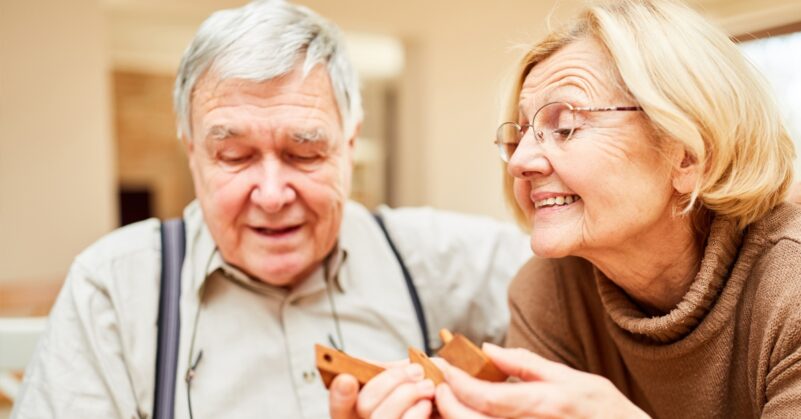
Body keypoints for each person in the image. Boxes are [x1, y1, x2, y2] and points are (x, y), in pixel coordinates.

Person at [11, 1, 530, 418]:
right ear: (193, 153)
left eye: (304, 153)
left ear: (349, 146)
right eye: (234, 157)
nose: (273, 194)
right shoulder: (112, 288)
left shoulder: (444, 257)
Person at [331, 0, 801, 418]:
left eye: (566, 126)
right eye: (518, 135)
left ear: (688, 154)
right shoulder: (548, 290)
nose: (519, 162)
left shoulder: (790, 290)